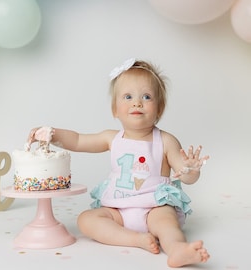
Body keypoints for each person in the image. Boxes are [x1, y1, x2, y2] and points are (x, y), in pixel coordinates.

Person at [27, 58, 210, 268]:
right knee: (86, 220)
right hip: (118, 210)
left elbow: (185, 174)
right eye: (128, 96)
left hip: (154, 207)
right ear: (115, 109)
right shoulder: (111, 138)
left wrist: (191, 170)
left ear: (159, 109)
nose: (137, 102)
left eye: (147, 97)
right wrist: (52, 134)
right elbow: (78, 140)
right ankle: (135, 239)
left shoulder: (166, 141)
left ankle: (177, 249)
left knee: (167, 224)